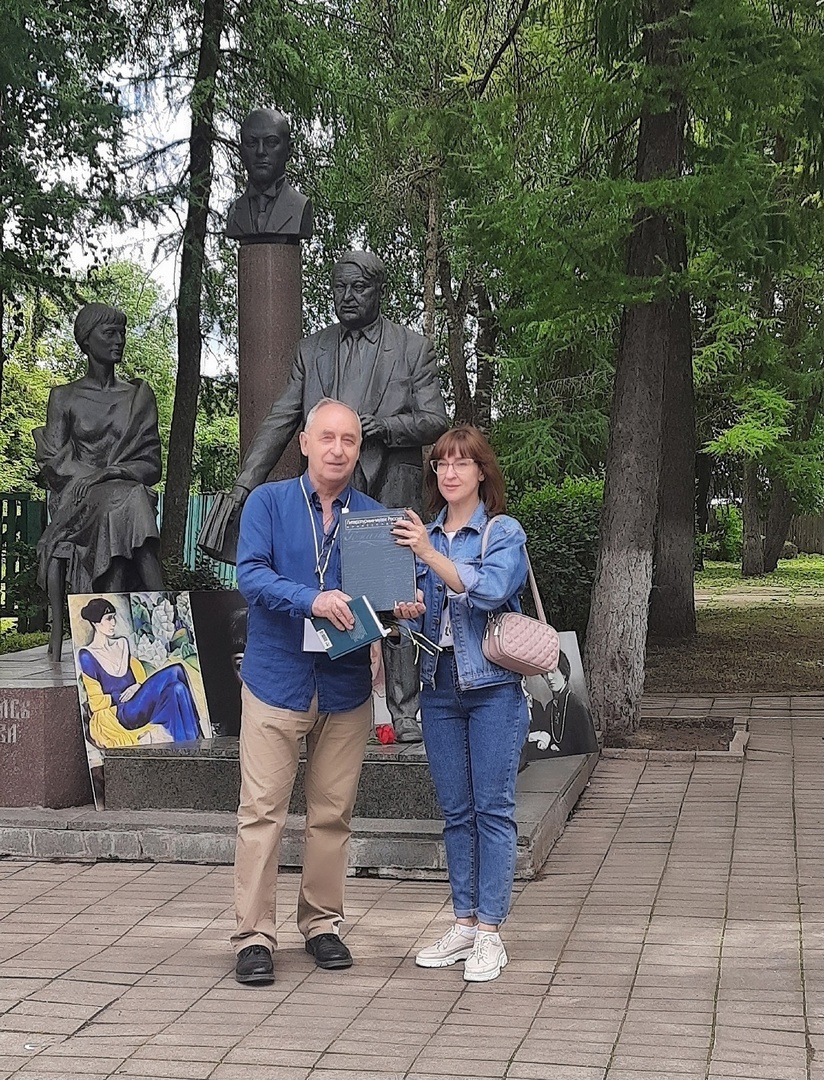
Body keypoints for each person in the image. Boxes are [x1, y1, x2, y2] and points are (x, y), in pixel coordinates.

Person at [207, 248, 449, 743]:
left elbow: (435, 420)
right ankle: (323, 694)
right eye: (339, 287)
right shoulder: (312, 350)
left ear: (379, 291)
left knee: (395, 596)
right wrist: (245, 482)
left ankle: (404, 711)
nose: (347, 296)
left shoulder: (412, 348)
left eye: (358, 287)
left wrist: (386, 427)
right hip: (325, 487)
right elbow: (280, 419)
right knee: (323, 590)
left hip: (388, 482)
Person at [232, 398, 384, 986]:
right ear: (303, 441)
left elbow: (382, 598)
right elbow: (251, 575)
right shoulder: (268, 503)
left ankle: (322, 924)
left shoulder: (372, 517)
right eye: (327, 437)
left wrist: (404, 606)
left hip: (346, 686)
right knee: (261, 813)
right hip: (276, 681)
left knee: (333, 815)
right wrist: (310, 599)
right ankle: (253, 936)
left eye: (349, 440)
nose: (338, 450)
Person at [393, 425, 530, 983]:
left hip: (493, 685)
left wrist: (430, 555)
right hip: (439, 683)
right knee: (455, 812)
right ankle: (465, 923)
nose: (449, 473)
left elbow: (491, 590)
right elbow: (421, 612)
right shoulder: (423, 534)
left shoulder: (501, 532)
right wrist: (407, 609)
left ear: (480, 472)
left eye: (461, 463)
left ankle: (492, 933)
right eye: (441, 464)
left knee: (492, 809)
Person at [34, 303, 164, 655]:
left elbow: (152, 465)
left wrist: (111, 472)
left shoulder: (138, 396)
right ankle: (162, 610)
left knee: (128, 501)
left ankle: (106, 625)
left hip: (124, 496)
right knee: (129, 503)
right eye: (110, 333)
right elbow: (55, 462)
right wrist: (96, 479)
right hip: (77, 500)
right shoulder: (64, 397)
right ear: (86, 340)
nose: (119, 340)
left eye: (122, 333)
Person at [77, 598, 202, 748]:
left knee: (177, 688)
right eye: (108, 619)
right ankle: (200, 734)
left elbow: (138, 674)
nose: (114, 623)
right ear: (96, 623)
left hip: (138, 702)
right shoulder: (87, 655)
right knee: (175, 670)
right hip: (122, 713)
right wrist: (120, 696)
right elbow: (95, 703)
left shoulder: (122, 644)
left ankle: (191, 745)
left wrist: (138, 686)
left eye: (114, 617)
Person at [225, 108, 312, 240]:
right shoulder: (235, 212)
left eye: (271, 142)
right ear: (241, 151)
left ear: (289, 150)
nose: (260, 151)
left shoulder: (300, 207)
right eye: (252, 143)